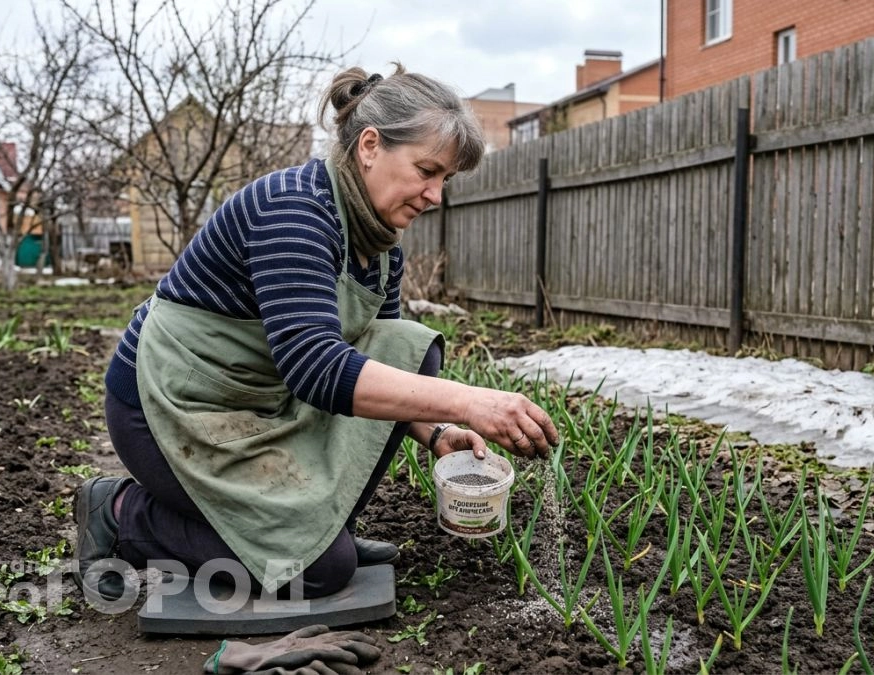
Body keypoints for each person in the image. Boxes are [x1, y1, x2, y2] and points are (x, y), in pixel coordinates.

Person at [74, 63, 561, 605]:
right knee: (320, 572)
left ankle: (321, 532)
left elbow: (381, 366)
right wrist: (470, 402)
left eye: (444, 179)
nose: (435, 195)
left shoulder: (378, 242)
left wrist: (437, 432)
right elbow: (316, 367)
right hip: (172, 409)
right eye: (427, 170)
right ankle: (121, 513)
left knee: (406, 349)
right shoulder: (294, 211)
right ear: (370, 146)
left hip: (259, 402)